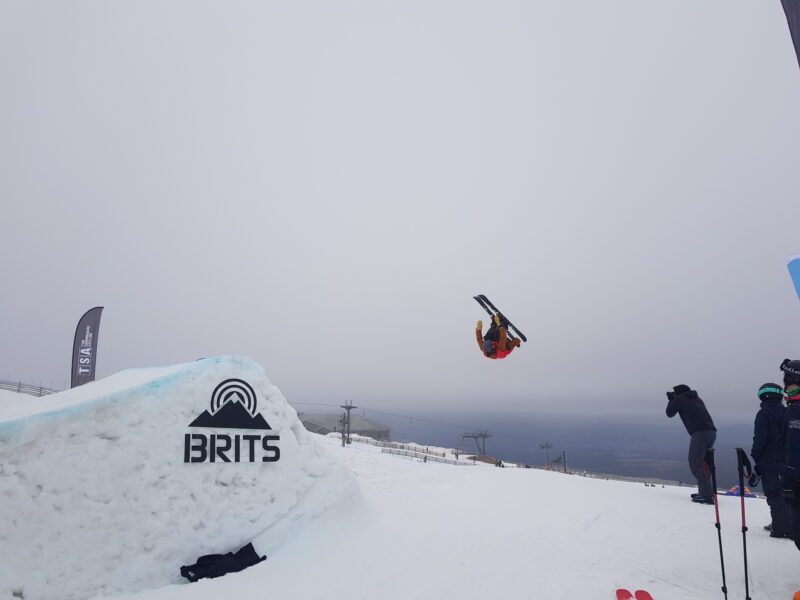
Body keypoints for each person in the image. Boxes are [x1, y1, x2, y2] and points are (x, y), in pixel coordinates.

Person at [750, 383, 792, 538]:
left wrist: (755, 456)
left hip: (769, 461)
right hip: (789, 461)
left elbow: (760, 439)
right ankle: (788, 524)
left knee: (774, 495)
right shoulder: (788, 411)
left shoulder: (764, 413)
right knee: (788, 494)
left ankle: (782, 528)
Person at [665, 384, 717, 504]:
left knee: (696, 463)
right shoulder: (696, 399)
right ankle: (705, 492)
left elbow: (669, 413)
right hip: (711, 432)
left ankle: (706, 496)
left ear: (678, 393)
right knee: (703, 463)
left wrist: (671, 399)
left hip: (700, 433)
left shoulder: (680, 399)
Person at [778, 359, 800, 550]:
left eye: (787, 381)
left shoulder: (796, 411)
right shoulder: (793, 408)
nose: (785, 386)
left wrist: (789, 480)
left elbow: (793, 447)